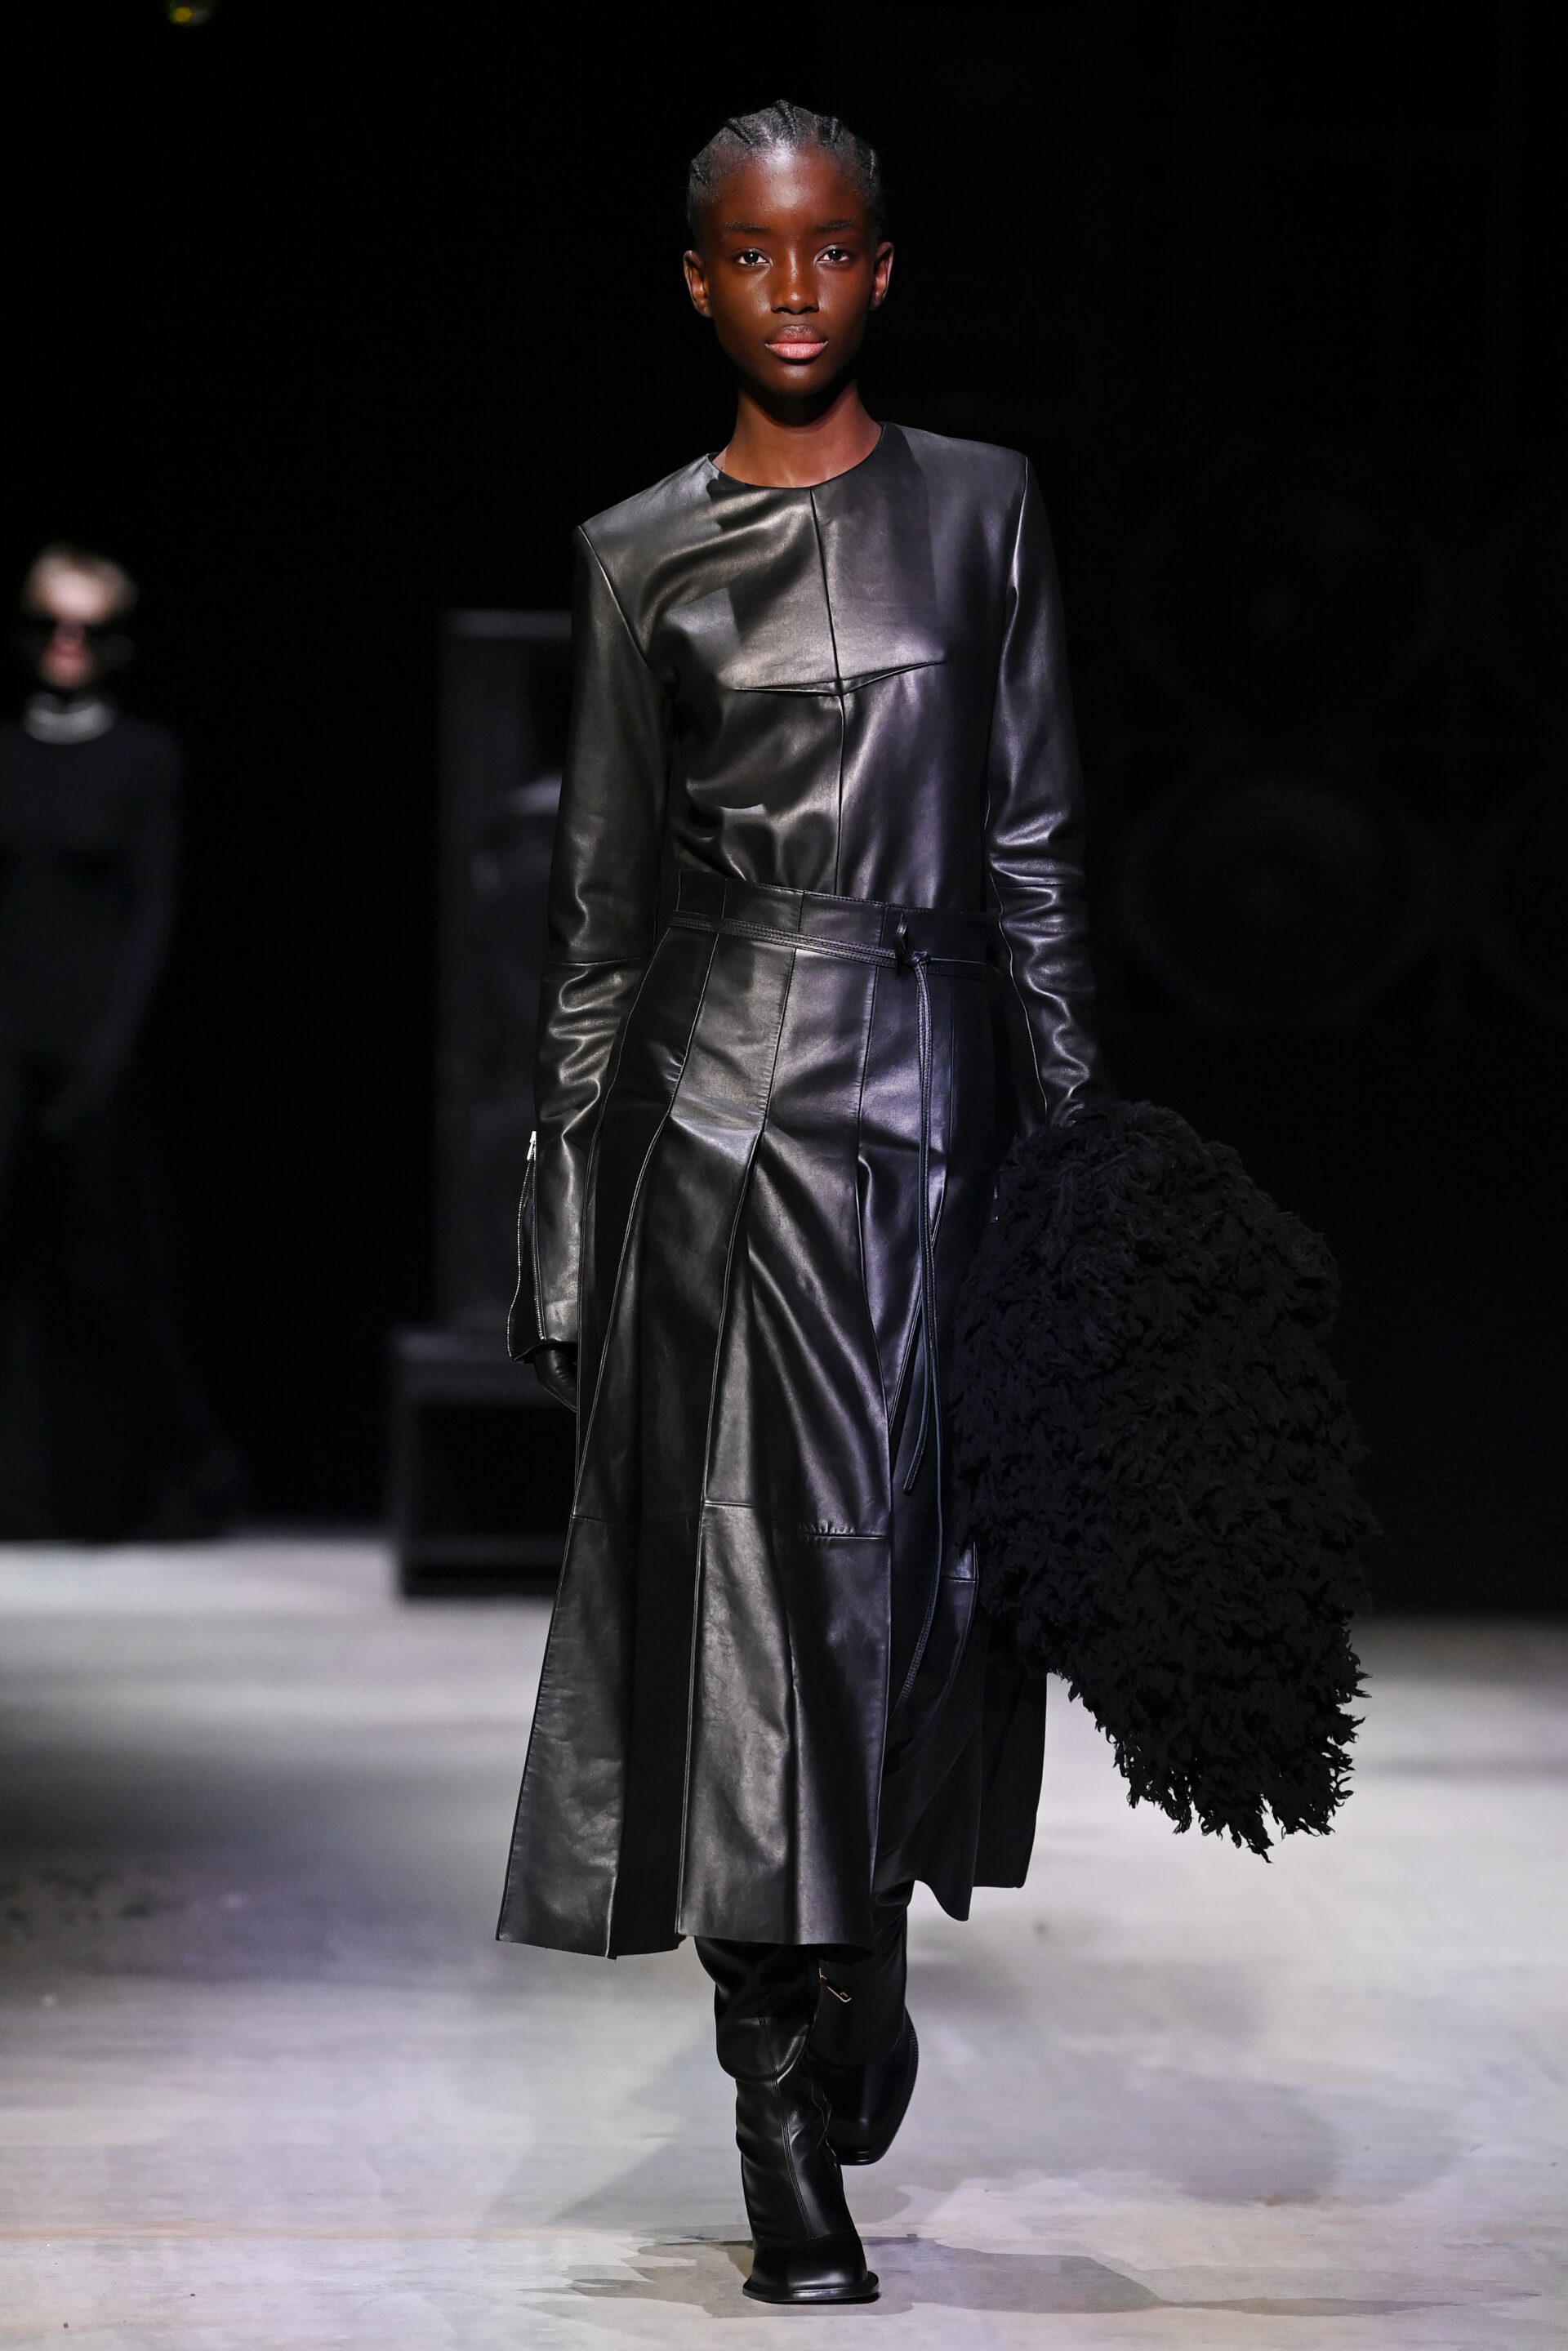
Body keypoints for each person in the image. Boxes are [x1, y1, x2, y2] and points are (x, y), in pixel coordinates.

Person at [501, 101, 1104, 2305]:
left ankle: (859, 1952)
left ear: (880, 266)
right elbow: (598, 923)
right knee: (749, 1598)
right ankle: (772, 2094)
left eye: (829, 248)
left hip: (940, 1117)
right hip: (717, 1123)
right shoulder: (635, 556)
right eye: (751, 254)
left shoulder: (984, 511)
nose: (791, 287)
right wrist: (564, 1207)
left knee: (924, 1589)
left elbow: (1033, 853)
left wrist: (1089, 1171)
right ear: (696, 279)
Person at [0, 544, 238, 1537]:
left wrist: (111, 1050)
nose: (67, 644)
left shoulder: (143, 757)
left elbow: (154, 913)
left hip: (99, 1042)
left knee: (106, 1267)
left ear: (116, 643)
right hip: (9, 1039)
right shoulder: (6, 752)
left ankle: (114, 1492)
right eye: (50, 624)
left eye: (88, 629)